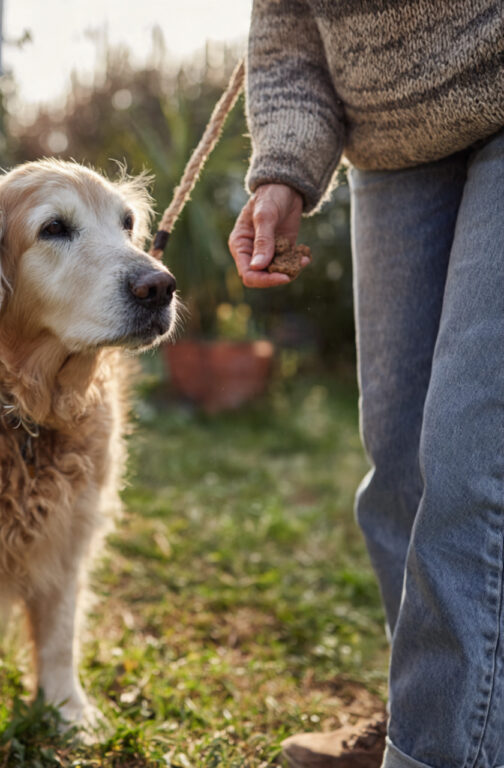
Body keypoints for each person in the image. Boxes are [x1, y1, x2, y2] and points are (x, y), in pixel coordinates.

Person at [228, 2, 504, 767]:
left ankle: (438, 751)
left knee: (470, 462)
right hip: (388, 147)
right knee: (399, 463)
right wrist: (284, 171)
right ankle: (432, 714)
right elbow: (286, 40)